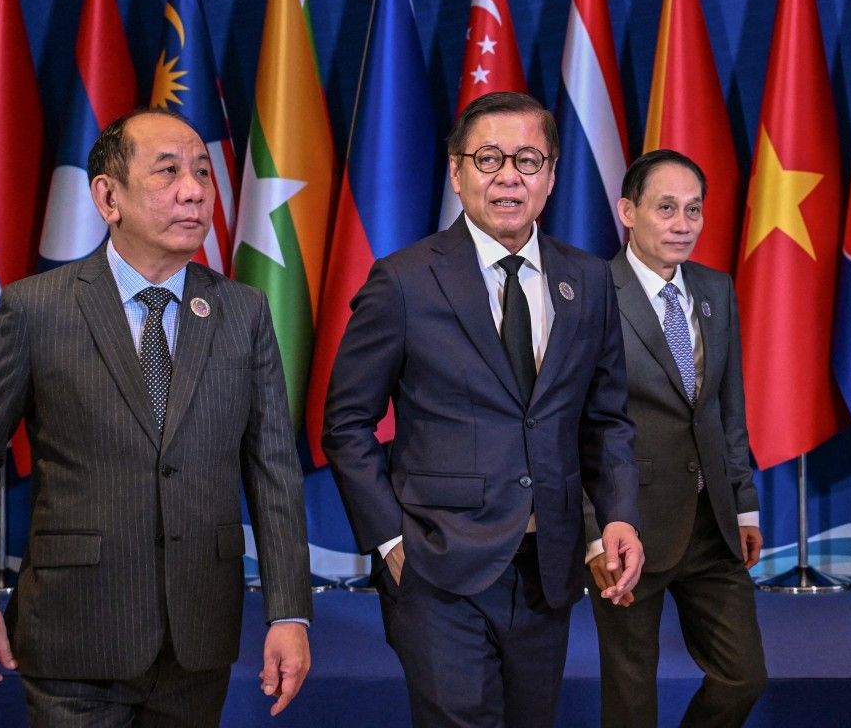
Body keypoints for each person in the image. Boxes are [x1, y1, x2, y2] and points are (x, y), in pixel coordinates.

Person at [0, 108, 313, 726]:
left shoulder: (242, 312)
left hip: (198, 640)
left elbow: (273, 471)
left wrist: (289, 612)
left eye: (201, 172)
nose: (193, 189)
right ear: (108, 197)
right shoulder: (38, 310)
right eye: (167, 173)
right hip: (73, 632)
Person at [322, 91, 644, 727]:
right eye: (488, 157)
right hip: (437, 568)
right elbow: (346, 423)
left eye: (528, 160)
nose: (507, 176)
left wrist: (619, 516)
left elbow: (606, 421)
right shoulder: (404, 280)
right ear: (456, 170)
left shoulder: (589, 280)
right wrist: (391, 541)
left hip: (549, 568)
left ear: (551, 175)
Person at [584, 148, 767, 727]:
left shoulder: (716, 289)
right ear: (627, 211)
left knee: (744, 676)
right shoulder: (589, 293)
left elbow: (724, 410)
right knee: (632, 697)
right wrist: (595, 533)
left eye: (693, 209)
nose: (683, 224)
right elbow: (574, 430)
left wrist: (743, 504)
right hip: (628, 527)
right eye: (666, 208)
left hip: (713, 523)